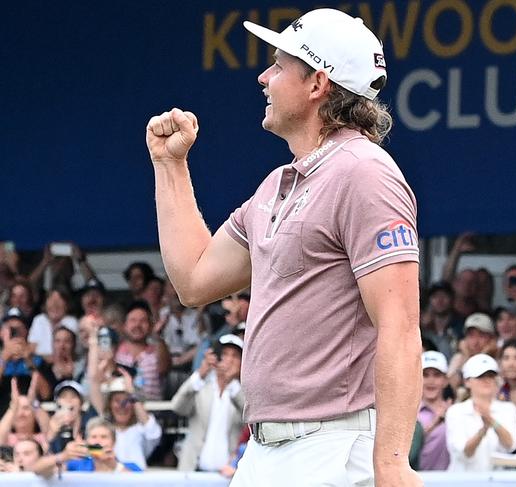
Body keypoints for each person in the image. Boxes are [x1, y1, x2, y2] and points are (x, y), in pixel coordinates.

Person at [146, 7, 421, 486]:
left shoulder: (365, 172)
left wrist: (393, 463)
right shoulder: (278, 183)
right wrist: (170, 166)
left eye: (277, 65)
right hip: (266, 451)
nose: (263, 77)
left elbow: (400, 326)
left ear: (317, 84)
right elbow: (193, 280)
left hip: (333, 449)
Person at [171, 334, 244, 473]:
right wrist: (200, 373)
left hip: (231, 475)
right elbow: (177, 407)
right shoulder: (201, 387)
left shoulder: (244, 392)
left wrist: (232, 383)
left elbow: (249, 415)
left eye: (235, 356)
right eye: (224, 354)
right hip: (195, 472)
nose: (228, 360)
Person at [445, 354, 516, 471]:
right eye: (480, 376)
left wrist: (491, 421)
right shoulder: (456, 412)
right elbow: (464, 453)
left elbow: (511, 445)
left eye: (490, 376)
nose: (486, 380)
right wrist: (483, 431)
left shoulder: (509, 409)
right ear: (467, 382)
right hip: (463, 481)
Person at [93, 374, 162, 470]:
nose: (122, 406)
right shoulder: (103, 432)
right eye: (117, 401)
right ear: (110, 405)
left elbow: (152, 432)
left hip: (136, 481)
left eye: (127, 401)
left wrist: (132, 393)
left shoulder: (140, 430)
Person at [32, 416, 142, 475]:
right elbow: (37, 470)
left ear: (113, 443)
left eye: (104, 437)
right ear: (87, 442)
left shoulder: (130, 467)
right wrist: (63, 456)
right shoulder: (76, 466)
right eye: (93, 437)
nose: (98, 442)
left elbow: (141, 484)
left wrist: (114, 465)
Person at [114, 300, 171, 401]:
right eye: (133, 320)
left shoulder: (158, 350)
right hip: (122, 410)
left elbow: (164, 369)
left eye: (143, 321)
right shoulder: (114, 351)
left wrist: (157, 336)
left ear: (150, 326)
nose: (137, 325)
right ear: (124, 325)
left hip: (153, 410)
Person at [416, 351, 451, 471]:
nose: (431, 381)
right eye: (425, 375)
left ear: (445, 380)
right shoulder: (408, 414)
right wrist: (435, 422)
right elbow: (406, 450)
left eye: (436, 375)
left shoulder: (455, 412)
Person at [28, 288, 79, 361]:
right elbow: (31, 349)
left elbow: (68, 354)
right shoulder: (39, 320)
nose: (54, 304)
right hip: (40, 366)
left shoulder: (71, 322)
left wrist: (42, 358)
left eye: (59, 300)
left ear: (67, 305)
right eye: (51, 299)